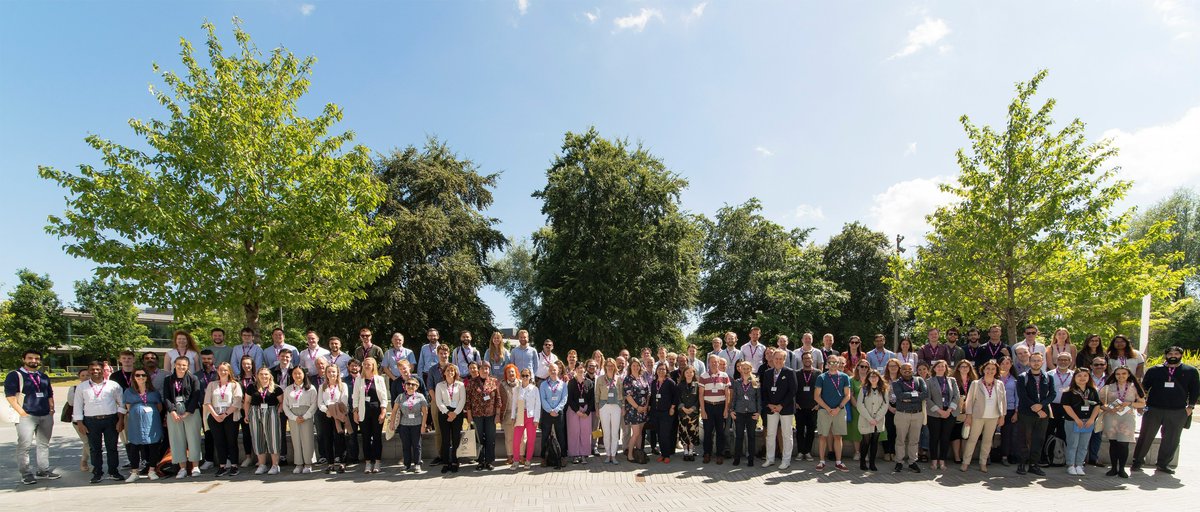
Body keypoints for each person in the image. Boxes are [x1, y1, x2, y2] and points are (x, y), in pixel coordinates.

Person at [1132, 345, 1198, 474]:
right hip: (1153, 408)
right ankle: (1138, 461)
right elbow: (1143, 389)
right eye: (1170, 353)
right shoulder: (1155, 370)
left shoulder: (1190, 371)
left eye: (1176, 354)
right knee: (1146, 436)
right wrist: (1140, 404)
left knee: (1172, 438)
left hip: (1177, 410)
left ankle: (1163, 464)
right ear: (1166, 355)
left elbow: (1195, 390)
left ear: (1181, 355)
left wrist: (1190, 407)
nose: (1173, 356)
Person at [6, 349, 60, 485]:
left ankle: (43, 470)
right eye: (30, 358)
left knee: (43, 444)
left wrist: (51, 410)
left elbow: (49, 393)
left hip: (45, 414)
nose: (33, 361)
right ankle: (26, 473)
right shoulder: (15, 375)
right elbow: (10, 396)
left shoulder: (43, 376)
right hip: (27, 416)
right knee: (24, 446)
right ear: (24, 359)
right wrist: (22, 413)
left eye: (36, 359)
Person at [73, 361, 126, 483]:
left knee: (112, 447)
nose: (95, 371)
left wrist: (121, 420)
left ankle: (113, 471)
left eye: (98, 369)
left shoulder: (113, 385)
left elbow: (122, 403)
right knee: (94, 449)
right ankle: (97, 472)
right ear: (88, 370)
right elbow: (77, 406)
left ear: (103, 370)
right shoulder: (82, 387)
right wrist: (80, 423)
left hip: (111, 419)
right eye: (92, 369)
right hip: (91, 421)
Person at [162, 356, 203, 478]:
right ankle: (182, 468)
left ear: (188, 366)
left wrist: (188, 412)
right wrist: (172, 411)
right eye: (179, 364)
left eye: (184, 365)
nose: (181, 367)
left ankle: (195, 466)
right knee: (177, 439)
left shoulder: (193, 378)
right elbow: (166, 397)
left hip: (190, 411)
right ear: (175, 365)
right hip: (174, 412)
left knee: (193, 438)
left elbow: (196, 396)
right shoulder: (168, 379)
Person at [1100, 366, 1145, 478]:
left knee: (1124, 444)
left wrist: (1130, 404)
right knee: (1113, 443)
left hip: (1127, 418)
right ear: (1114, 375)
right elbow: (1101, 403)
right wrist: (1109, 408)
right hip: (1111, 416)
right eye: (1118, 374)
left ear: (1129, 374)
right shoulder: (1108, 387)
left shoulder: (1134, 387)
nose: (1121, 376)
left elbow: (1142, 403)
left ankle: (1122, 469)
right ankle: (1114, 468)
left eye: (1123, 373)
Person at [120, 367, 163, 483]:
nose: (141, 377)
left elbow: (159, 407)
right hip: (135, 424)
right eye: (138, 375)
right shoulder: (129, 392)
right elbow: (128, 407)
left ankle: (152, 471)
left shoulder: (154, 392)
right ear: (134, 377)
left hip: (152, 423)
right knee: (134, 447)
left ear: (147, 377)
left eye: (143, 375)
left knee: (153, 446)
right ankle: (134, 472)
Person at [961, 360, 1005, 473]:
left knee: (988, 441)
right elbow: (969, 401)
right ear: (983, 370)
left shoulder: (999, 384)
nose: (990, 371)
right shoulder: (976, 384)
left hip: (993, 416)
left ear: (996, 371)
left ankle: (983, 463)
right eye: (988, 368)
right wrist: (968, 416)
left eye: (993, 369)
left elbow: (1003, 401)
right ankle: (966, 462)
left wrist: (1002, 416)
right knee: (972, 439)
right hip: (978, 416)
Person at [1015, 353, 1054, 476]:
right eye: (1033, 360)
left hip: (1043, 414)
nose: (1036, 363)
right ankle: (1022, 463)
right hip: (1026, 413)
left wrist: (1042, 405)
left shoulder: (1048, 377)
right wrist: (1036, 409)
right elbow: (1022, 395)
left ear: (1042, 362)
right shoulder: (1022, 377)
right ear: (1029, 362)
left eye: (1038, 360)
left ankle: (1034, 465)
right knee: (1024, 439)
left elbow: (1052, 394)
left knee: (1039, 439)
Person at [203, 362, 243, 477]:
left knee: (231, 441)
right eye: (221, 369)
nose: (223, 372)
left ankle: (234, 465)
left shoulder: (235, 385)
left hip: (230, 416)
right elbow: (207, 401)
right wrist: (215, 415)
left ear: (229, 371)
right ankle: (222, 466)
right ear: (217, 371)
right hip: (215, 415)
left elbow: (237, 402)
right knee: (219, 442)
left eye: (225, 370)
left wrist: (225, 414)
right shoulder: (212, 384)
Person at [814, 355, 851, 472]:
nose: (834, 365)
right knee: (823, 436)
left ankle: (838, 462)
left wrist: (838, 408)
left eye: (836, 362)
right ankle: (821, 461)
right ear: (827, 364)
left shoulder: (844, 377)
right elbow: (816, 396)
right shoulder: (821, 377)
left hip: (839, 411)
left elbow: (847, 395)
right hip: (824, 411)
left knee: (838, 436)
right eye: (831, 362)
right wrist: (828, 408)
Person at [466, 361, 505, 470]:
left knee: (490, 438)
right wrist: (469, 416)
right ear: (479, 370)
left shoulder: (494, 381)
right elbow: (468, 401)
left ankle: (489, 461)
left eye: (487, 368)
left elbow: (498, 399)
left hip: (490, 415)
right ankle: (480, 461)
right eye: (483, 368)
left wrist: (497, 414)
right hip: (477, 415)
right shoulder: (472, 382)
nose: (485, 370)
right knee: (479, 438)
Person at [1061, 367, 1100, 475]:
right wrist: (1076, 419)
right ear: (1074, 378)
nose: (1082, 378)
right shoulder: (1069, 391)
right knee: (1073, 444)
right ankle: (1070, 465)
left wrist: (1092, 419)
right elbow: (1066, 406)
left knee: (1083, 444)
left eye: (1085, 376)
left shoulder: (1092, 391)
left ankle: (1079, 464)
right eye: (1079, 376)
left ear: (1089, 378)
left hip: (1088, 422)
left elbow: (1097, 406)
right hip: (1073, 421)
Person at [889, 362, 926, 473]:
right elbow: (900, 396)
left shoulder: (919, 380)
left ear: (912, 369)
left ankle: (912, 462)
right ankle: (899, 462)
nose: (907, 371)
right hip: (902, 414)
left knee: (914, 440)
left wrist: (908, 397)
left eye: (909, 369)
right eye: (904, 369)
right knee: (900, 439)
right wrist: (916, 395)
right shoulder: (896, 383)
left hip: (917, 414)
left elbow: (925, 394)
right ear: (901, 370)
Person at [245, 367, 283, 475]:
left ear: (270, 376)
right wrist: (247, 415)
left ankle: (275, 465)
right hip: (255, 412)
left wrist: (278, 412)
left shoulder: (276, 388)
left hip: (271, 412)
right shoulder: (252, 387)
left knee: (273, 438)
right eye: (261, 374)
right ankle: (262, 464)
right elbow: (247, 401)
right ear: (257, 375)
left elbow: (281, 402)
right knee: (258, 438)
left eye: (266, 374)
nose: (263, 376)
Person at [353, 357, 389, 473]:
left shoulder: (379, 379)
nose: (367, 366)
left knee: (377, 437)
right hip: (364, 411)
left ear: (373, 366)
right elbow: (355, 397)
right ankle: (368, 462)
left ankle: (377, 462)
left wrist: (383, 411)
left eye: (369, 364)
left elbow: (384, 397)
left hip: (376, 410)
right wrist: (355, 412)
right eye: (365, 364)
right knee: (366, 437)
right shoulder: (359, 379)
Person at [925, 360, 960, 471]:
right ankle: (934, 461)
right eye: (938, 366)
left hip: (949, 413)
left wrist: (949, 410)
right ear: (934, 369)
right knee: (934, 438)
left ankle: (942, 461)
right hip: (934, 413)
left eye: (942, 366)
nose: (940, 368)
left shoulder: (952, 380)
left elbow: (956, 396)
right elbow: (927, 398)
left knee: (945, 438)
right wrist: (940, 411)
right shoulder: (929, 381)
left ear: (946, 368)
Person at [282, 366, 317, 474]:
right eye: (295, 374)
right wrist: (293, 417)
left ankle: (308, 463)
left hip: (306, 416)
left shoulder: (311, 388)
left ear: (304, 375)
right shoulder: (288, 389)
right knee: (296, 440)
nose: (297, 376)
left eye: (299, 373)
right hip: (294, 417)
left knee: (307, 439)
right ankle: (298, 463)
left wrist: (305, 416)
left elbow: (314, 404)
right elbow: (285, 406)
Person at [391, 376, 429, 473]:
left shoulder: (420, 397)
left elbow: (425, 412)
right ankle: (406, 465)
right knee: (406, 445)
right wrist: (392, 423)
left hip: (417, 424)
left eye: (413, 384)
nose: (410, 386)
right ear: (404, 386)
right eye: (408, 384)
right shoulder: (400, 397)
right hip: (404, 425)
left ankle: (417, 464)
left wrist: (423, 425)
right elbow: (394, 411)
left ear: (417, 387)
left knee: (417, 445)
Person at [317, 363, 350, 473]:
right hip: (326, 414)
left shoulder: (343, 385)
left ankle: (342, 463)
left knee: (340, 438)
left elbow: (344, 401)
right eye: (329, 372)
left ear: (337, 373)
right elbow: (320, 402)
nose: (331, 374)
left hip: (339, 413)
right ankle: (330, 463)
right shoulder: (322, 386)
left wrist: (335, 411)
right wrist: (327, 410)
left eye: (333, 371)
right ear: (326, 373)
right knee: (327, 439)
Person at [699, 354, 731, 464]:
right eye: (712, 361)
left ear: (719, 363)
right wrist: (702, 410)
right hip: (708, 406)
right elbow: (700, 395)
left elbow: (727, 394)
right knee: (708, 432)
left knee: (720, 432)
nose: (714, 363)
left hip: (720, 406)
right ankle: (707, 453)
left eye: (716, 362)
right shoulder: (703, 376)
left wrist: (726, 409)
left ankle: (719, 454)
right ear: (708, 363)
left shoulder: (724, 375)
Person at [856, 369, 888, 471]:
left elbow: (885, 405)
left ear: (879, 378)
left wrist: (877, 418)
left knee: (875, 441)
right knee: (865, 441)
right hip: (866, 419)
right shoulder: (864, 389)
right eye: (871, 377)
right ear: (868, 378)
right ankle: (862, 462)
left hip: (878, 421)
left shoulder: (883, 389)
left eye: (875, 376)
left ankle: (872, 463)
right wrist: (869, 418)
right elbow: (860, 405)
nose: (873, 379)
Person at [730, 360, 760, 467]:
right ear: (740, 370)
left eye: (748, 369)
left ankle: (751, 459)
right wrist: (731, 411)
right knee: (739, 436)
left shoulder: (755, 381)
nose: (746, 371)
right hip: (739, 412)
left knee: (751, 436)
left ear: (751, 369)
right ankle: (737, 458)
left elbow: (758, 398)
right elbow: (734, 398)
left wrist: (758, 413)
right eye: (744, 369)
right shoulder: (737, 382)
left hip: (752, 413)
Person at [509, 369, 541, 469]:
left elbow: (538, 404)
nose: (525, 377)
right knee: (516, 439)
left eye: (527, 375)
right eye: (523, 376)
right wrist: (513, 416)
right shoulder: (516, 389)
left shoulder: (534, 389)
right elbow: (514, 404)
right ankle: (516, 460)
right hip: (520, 414)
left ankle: (528, 460)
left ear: (530, 376)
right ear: (520, 377)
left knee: (531, 439)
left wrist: (537, 418)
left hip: (530, 416)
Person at [538, 361, 568, 466]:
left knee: (561, 435)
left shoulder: (563, 385)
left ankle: (563, 456)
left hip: (558, 413)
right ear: (548, 371)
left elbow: (564, 398)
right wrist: (550, 410)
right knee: (545, 435)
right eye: (550, 370)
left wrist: (556, 410)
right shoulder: (543, 385)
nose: (553, 371)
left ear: (558, 370)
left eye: (554, 369)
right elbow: (543, 399)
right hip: (547, 413)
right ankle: (543, 458)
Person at [595, 358, 624, 465]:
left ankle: (613, 455)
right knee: (606, 432)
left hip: (616, 406)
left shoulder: (619, 379)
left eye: (612, 365)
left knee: (615, 432)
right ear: (605, 367)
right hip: (604, 406)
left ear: (614, 367)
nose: (610, 367)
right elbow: (597, 394)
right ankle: (608, 455)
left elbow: (622, 394)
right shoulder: (600, 379)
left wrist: (623, 407)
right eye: (608, 365)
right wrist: (597, 408)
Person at [564, 365, 595, 464]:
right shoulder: (571, 382)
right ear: (575, 370)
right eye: (578, 368)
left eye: (582, 368)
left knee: (585, 433)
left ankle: (584, 454)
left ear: (584, 369)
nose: (580, 370)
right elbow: (569, 399)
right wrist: (576, 410)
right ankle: (575, 455)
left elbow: (592, 399)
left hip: (586, 410)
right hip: (573, 410)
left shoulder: (589, 382)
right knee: (574, 432)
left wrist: (587, 412)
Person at [648, 362, 677, 463]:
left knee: (665, 434)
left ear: (666, 371)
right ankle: (662, 454)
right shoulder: (654, 382)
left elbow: (675, 396)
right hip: (655, 412)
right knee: (659, 434)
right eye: (659, 369)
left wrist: (672, 407)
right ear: (656, 371)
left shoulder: (670, 382)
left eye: (663, 369)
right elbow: (652, 397)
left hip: (666, 412)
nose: (661, 371)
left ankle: (667, 455)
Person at [794, 352, 820, 462]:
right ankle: (800, 452)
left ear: (812, 360)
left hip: (813, 407)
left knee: (811, 430)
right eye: (805, 358)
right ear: (802, 360)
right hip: (799, 407)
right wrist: (794, 402)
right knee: (799, 430)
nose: (807, 360)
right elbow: (793, 390)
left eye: (809, 358)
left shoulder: (818, 373)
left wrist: (819, 404)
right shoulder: (797, 373)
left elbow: (821, 390)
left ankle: (808, 451)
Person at [622, 359, 650, 463]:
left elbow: (648, 393)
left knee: (640, 433)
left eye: (637, 365)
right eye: (633, 365)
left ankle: (639, 453)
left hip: (643, 409)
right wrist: (637, 407)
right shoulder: (628, 379)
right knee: (636, 433)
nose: (636, 367)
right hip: (633, 410)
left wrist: (646, 406)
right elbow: (628, 396)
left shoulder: (642, 378)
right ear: (630, 367)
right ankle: (629, 455)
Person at [66, 368, 92, 472]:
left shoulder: (95, 387)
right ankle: (95, 464)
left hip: (93, 418)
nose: (86, 377)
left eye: (88, 375)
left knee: (89, 442)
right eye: (83, 376)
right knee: (87, 441)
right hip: (79, 420)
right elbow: (71, 403)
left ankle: (84, 461)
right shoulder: (74, 388)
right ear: (79, 377)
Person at [950, 358, 976, 463]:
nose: (964, 368)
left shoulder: (974, 381)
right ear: (958, 368)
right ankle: (957, 457)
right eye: (962, 366)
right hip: (956, 411)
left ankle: (965, 456)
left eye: (967, 366)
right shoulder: (953, 380)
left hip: (970, 411)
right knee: (956, 434)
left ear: (970, 368)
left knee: (966, 434)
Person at [996, 356, 1020, 466]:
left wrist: (1016, 412)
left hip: (1009, 410)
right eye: (1003, 363)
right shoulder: (994, 378)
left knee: (1008, 434)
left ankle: (1005, 456)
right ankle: (988, 456)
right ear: (999, 365)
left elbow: (1017, 397)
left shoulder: (1015, 380)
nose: (1005, 365)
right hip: (994, 410)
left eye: (1007, 363)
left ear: (1011, 365)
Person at [845, 359, 871, 462]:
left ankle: (865, 453)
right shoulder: (852, 380)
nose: (863, 368)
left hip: (869, 410)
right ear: (857, 367)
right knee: (857, 432)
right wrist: (859, 408)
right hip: (856, 409)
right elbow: (851, 396)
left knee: (867, 432)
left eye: (866, 367)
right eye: (861, 366)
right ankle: (857, 452)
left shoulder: (872, 379)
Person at [675, 365, 702, 461]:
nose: (689, 374)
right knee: (683, 432)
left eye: (691, 372)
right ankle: (685, 451)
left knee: (693, 432)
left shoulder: (697, 385)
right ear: (684, 374)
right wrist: (682, 407)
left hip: (693, 414)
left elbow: (699, 399)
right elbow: (677, 398)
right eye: (687, 372)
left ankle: (691, 451)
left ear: (694, 373)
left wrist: (693, 408)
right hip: (683, 413)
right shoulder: (680, 385)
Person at [236, 356, 258, 467]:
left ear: (252, 365)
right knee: (246, 434)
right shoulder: (237, 379)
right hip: (242, 409)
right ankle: (248, 457)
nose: (246, 366)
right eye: (244, 364)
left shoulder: (257, 378)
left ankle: (260, 456)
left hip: (256, 408)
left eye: (248, 364)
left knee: (258, 433)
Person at [880, 358, 901, 462]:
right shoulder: (883, 379)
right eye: (891, 366)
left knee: (897, 431)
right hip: (886, 406)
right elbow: (881, 395)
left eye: (895, 366)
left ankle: (894, 451)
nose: (893, 368)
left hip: (900, 407)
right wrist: (889, 407)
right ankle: (887, 451)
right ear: (887, 368)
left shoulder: (902, 380)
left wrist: (898, 407)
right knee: (887, 430)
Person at [500, 364, 522, 465]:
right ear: (506, 374)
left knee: (522, 437)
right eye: (508, 372)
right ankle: (510, 457)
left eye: (512, 371)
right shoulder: (502, 385)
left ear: (516, 373)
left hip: (520, 412)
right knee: (509, 437)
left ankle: (521, 456)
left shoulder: (521, 383)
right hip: (507, 413)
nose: (511, 374)